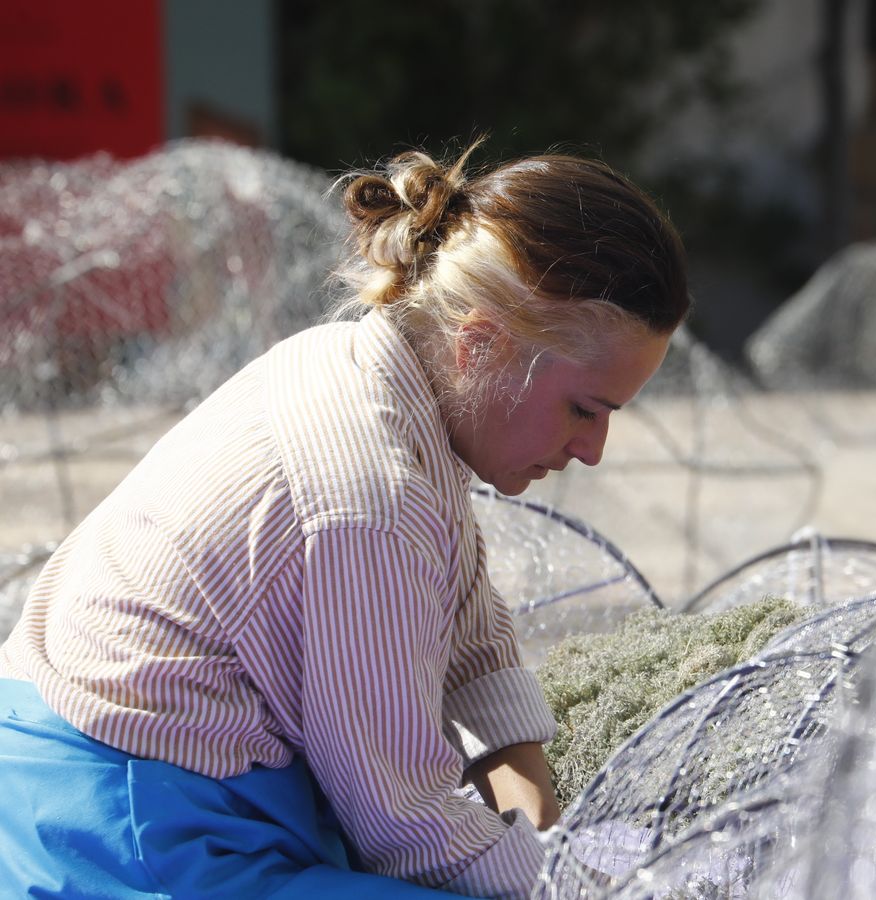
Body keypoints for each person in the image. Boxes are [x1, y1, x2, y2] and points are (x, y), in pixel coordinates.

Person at [0, 142, 690, 898]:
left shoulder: (373, 370)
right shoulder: (368, 498)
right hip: (116, 822)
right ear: (479, 343)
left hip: (127, 773)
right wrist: (583, 888)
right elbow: (410, 827)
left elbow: (475, 645)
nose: (593, 451)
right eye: (584, 410)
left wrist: (543, 829)